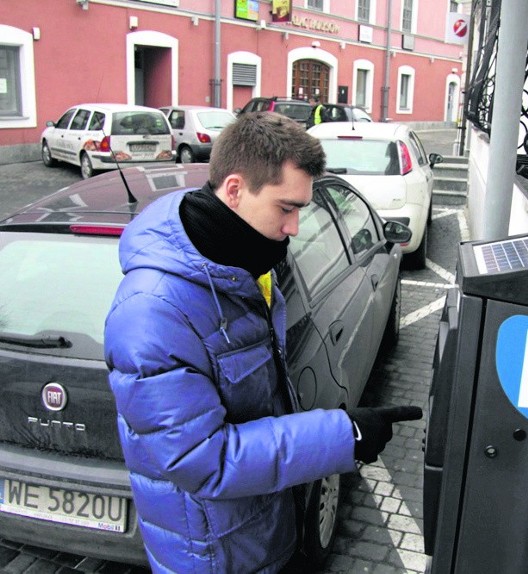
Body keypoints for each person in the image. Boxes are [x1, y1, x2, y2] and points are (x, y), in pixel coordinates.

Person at [104, 112, 422, 573]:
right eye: (286, 208)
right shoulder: (152, 314)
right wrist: (343, 434)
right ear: (234, 190)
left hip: (259, 532)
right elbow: (203, 460)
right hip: (212, 556)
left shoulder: (243, 260)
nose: (294, 228)